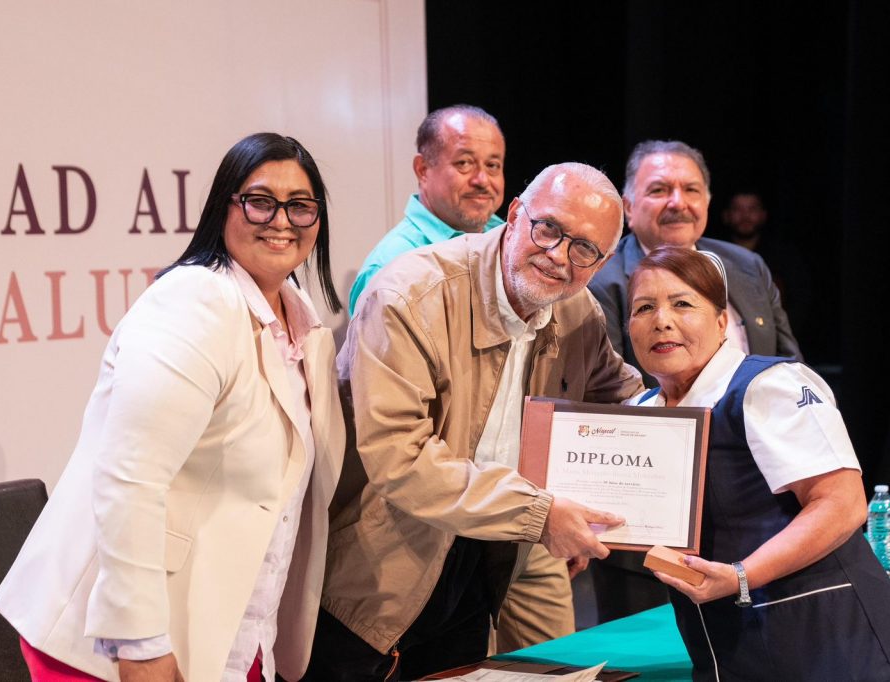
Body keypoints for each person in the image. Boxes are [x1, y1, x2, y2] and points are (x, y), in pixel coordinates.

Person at [0, 133, 346, 681]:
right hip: (116, 643)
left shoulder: (305, 329)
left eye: (300, 205)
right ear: (224, 207)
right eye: (260, 201)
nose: (281, 220)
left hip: (228, 634)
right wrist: (139, 643)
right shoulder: (195, 301)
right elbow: (130, 476)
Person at [307, 163, 644, 680]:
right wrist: (542, 516)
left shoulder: (578, 313)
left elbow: (620, 402)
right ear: (514, 214)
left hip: (486, 558)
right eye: (548, 228)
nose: (558, 256)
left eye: (584, 249)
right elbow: (399, 460)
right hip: (377, 568)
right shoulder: (410, 294)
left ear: (600, 264)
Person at [627, 246, 890, 681]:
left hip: (833, 644)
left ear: (722, 323)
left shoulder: (769, 386)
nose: (661, 320)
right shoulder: (640, 414)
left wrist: (741, 576)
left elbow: (842, 505)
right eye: (643, 308)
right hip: (726, 649)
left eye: (682, 304)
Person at [589, 140, 801, 389]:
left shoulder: (748, 265)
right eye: (659, 190)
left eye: (691, 189)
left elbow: (791, 368)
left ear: (707, 202)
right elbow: (610, 391)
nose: (678, 203)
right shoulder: (601, 282)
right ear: (629, 208)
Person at [347, 104, 505, 314]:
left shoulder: (510, 240)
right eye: (464, 163)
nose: (482, 180)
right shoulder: (389, 266)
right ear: (423, 169)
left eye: (492, 165)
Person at [721, 190, 812, 341]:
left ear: (763, 215)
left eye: (752, 209)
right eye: (738, 209)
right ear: (726, 215)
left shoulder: (783, 255)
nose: (745, 216)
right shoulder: (714, 255)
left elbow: (800, 301)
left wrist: (780, 337)